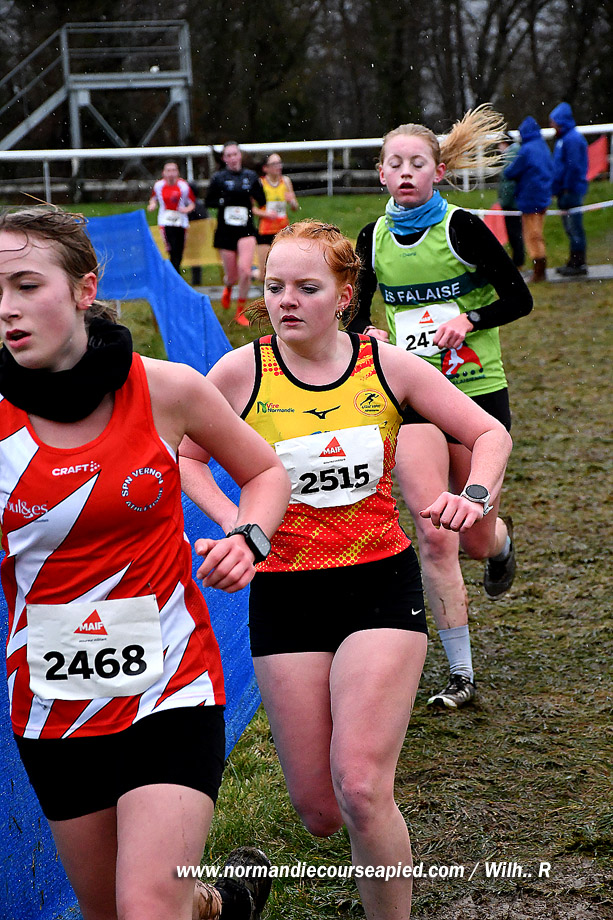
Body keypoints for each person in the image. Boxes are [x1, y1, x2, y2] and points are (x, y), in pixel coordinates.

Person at [180, 220, 513, 918]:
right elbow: (187, 456)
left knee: (360, 787)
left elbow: (486, 431)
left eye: (307, 287)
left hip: (377, 585)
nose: (286, 300)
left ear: (344, 295)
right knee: (321, 811)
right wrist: (239, 524)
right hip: (284, 594)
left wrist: (474, 495)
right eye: (274, 286)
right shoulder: (241, 372)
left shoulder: (384, 365)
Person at [0, 205, 290, 920]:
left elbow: (263, 473)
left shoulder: (166, 389)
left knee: (146, 906)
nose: (6, 308)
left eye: (26, 285)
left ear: (84, 289)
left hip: (171, 683)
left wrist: (248, 539)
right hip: (53, 702)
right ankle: (220, 904)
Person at [347, 107, 533, 710]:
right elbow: (357, 314)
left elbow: (519, 296)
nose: (406, 172)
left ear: (439, 172)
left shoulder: (463, 229)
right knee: (433, 534)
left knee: (474, 538)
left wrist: (469, 318)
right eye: (395, 164)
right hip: (416, 397)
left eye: (417, 163)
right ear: (381, 174)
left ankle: (499, 544)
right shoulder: (372, 238)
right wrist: (365, 338)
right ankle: (460, 674)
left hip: (476, 394)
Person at [205, 142, 266, 326]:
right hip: (225, 231)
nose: (232, 158)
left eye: (235, 154)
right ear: (224, 158)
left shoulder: (250, 176)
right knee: (232, 276)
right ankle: (229, 286)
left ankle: (240, 310)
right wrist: (224, 200)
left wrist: (255, 192)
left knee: (246, 271)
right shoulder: (218, 178)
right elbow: (208, 201)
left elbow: (262, 200)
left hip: (246, 229)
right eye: (228, 155)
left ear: (240, 156)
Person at [503, 117, 553, 283]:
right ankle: (540, 267)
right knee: (538, 233)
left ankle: (539, 271)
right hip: (543, 197)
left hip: (530, 198)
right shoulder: (543, 146)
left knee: (532, 235)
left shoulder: (526, 150)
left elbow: (511, 172)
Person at [549, 102, 589, 276]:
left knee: (575, 227)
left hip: (570, 191)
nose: (551, 125)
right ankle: (574, 260)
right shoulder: (564, 139)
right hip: (564, 191)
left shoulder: (571, 139)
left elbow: (573, 168)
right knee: (570, 228)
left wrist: (566, 188)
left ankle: (578, 263)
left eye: (553, 121)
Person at [253, 153, 299, 281]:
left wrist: (291, 201)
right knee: (263, 275)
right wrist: (266, 214)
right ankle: (252, 273)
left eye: (279, 163)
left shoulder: (286, 181)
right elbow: (252, 209)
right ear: (265, 168)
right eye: (274, 164)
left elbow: (295, 207)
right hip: (265, 231)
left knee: (285, 270)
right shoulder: (260, 183)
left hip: (283, 231)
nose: (278, 166)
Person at [147, 161, 195, 273]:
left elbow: (192, 203)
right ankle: (173, 272)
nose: (171, 174)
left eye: (173, 170)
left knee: (179, 249)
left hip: (180, 221)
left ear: (177, 172)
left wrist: (186, 209)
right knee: (170, 248)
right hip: (165, 220)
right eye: (168, 171)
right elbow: (153, 198)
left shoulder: (183, 186)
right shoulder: (159, 186)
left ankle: (175, 271)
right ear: (163, 173)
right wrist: (152, 205)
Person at [497, 134, 525, 268]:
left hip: (512, 202)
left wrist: (505, 200)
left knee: (514, 232)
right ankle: (518, 259)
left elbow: (508, 181)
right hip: (515, 201)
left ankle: (518, 260)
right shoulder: (516, 153)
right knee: (516, 232)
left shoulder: (511, 155)